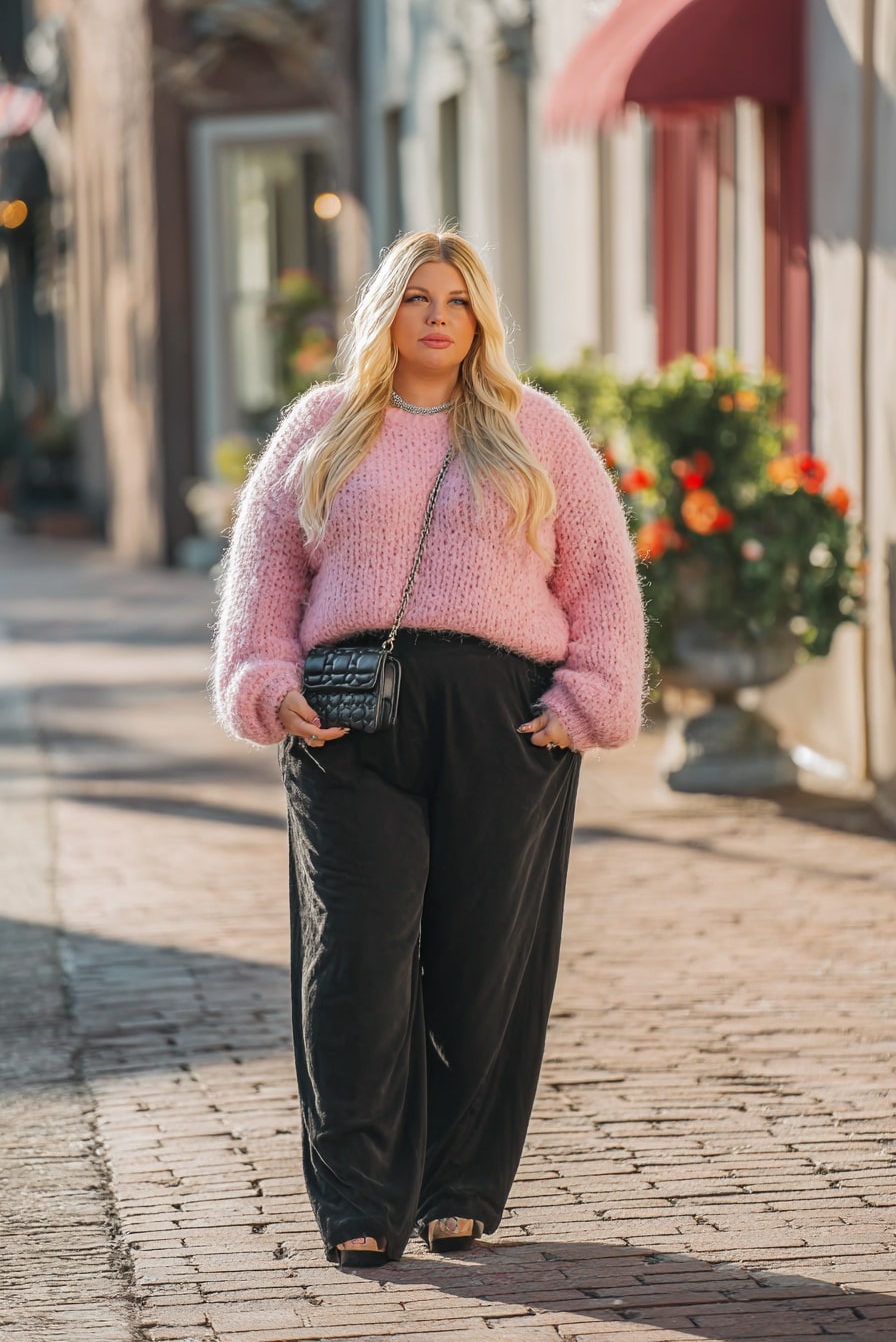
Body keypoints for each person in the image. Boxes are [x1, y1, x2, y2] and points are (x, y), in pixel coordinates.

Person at [212, 229, 645, 1269]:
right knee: (355, 953)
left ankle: (457, 1188)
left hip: (503, 722)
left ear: (480, 316)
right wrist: (266, 686)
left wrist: (589, 696)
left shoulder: (533, 427)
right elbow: (262, 580)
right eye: (416, 298)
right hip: (344, 723)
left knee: (481, 953)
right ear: (386, 315)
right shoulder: (322, 428)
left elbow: (599, 576)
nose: (438, 315)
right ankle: (360, 1196)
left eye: (456, 298)